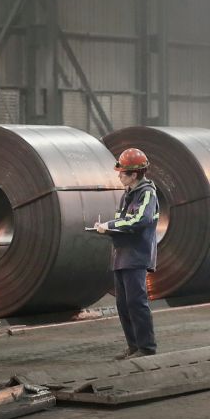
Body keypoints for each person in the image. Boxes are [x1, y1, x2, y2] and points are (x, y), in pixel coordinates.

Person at [94, 147, 159, 359]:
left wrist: (109, 224)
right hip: (121, 255)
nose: (119, 175)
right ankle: (133, 346)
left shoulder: (147, 193)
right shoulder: (127, 195)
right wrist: (107, 229)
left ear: (134, 174)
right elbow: (124, 222)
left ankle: (146, 347)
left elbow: (140, 219)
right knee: (123, 304)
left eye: (122, 172)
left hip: (136, 256)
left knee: (136, 302)